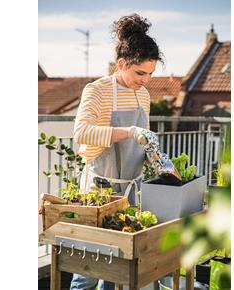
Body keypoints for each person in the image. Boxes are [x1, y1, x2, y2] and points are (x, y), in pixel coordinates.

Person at [70, 13, 163, 290]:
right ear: (121, 64)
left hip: (129, 192)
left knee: (117, 267)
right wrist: (128, 132)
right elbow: (82, 133)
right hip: (98, 192)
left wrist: (153, 153)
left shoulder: (142, 95)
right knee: (88, 267)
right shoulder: (97, 91)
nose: (146, 80)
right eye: (140, 73)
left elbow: (138, 140)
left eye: (150, 74)